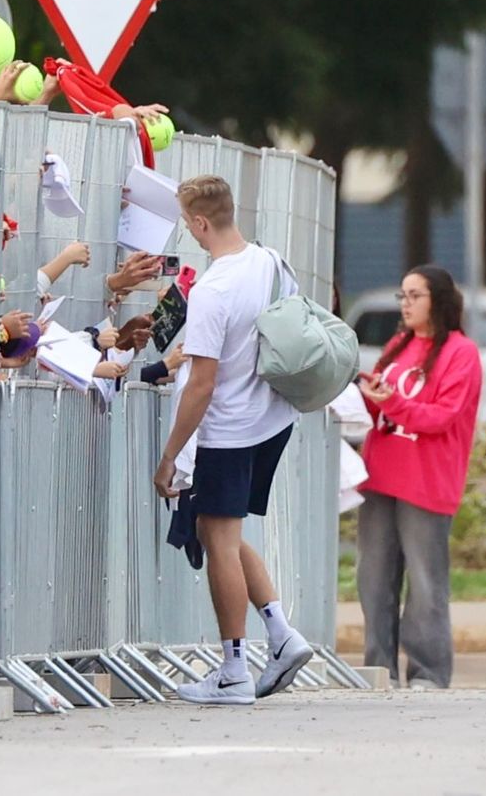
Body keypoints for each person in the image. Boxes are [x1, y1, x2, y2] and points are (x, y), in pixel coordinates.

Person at [152, 175, 313, 705]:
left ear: (200, 222)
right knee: (221, 529)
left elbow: (202, 382)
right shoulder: (269, 261)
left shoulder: (212, 290)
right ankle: (280, 633)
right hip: (272, 419)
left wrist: (171, 455)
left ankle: (234, 669)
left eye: (187, 223)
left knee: (218, 541)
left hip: (229, 428)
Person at [354, 265, 482, 690]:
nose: (405, 304)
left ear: (438, 301)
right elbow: (380, 404)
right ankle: (379, 669)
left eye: (414, 296)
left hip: (426, 482)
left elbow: (442, 416)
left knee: (426, 584)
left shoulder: (461, 353)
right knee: (373, 579)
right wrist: (367, 398)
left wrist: (392, 403)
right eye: (402, 296)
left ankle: (428, 672)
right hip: (380, 476)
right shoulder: (399, 344)